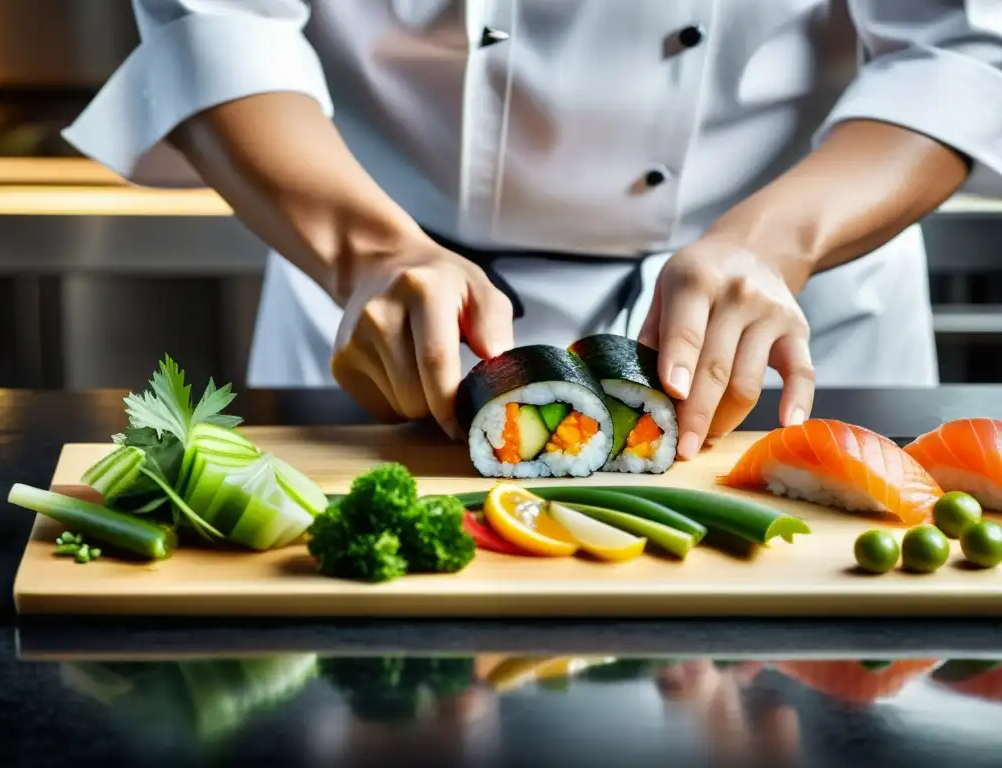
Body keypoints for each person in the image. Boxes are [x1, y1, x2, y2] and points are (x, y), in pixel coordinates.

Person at [63, 2, 1002, 458]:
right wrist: (367, 254)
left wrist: (776, 244)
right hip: (386, 287)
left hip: (788, 283)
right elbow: (215, 22)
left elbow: (956, 44)